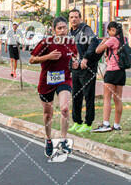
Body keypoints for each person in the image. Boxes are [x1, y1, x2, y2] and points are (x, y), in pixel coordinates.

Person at [30, 16, 79, 157]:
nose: (63, 31)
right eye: (60, 28)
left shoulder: (71, 42)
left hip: (64, 79)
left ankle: (63, 140)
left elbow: (75, 57)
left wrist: (76, 63)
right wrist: (48, 57)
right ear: (54, 30)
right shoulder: (46, 43)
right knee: (47, 114)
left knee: (64, 108)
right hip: (47, 81)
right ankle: (48, 139)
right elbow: (32, 59)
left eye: (65, 27)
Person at [68, 9, 100, 135]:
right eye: (71, 17)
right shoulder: (70, 32)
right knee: (76, 95)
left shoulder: (85, 29)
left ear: (80, 18)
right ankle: (77, 121)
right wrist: (72, 61)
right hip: (76, 69)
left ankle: (88, 123)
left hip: (87, 69)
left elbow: (93, 43)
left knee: (89, 96)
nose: (74, 19)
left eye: (76, 17)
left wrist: (85, 58)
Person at [92, 21, 127, 132]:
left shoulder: (112, 40)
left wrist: (103, 41)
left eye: (109, 31)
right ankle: (117, 125)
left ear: (112, 30)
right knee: (118, 99)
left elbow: (97, 50)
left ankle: (106, 124)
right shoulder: (125, 39)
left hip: (112, 71)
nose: (108, 33)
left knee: (107, 98)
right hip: (121, 72)